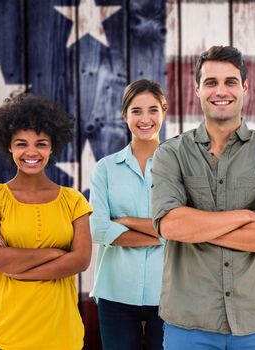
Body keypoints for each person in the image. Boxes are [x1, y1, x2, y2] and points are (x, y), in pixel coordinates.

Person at [151, 45, 255, 350]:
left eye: (230, 82)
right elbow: (171, 226)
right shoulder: (171, 154)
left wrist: (199, 228)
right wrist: (247, 216)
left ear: (245, 87)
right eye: (211, 82)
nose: (221, 91)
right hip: (189, 322)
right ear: (197, 89)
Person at [0, 94, 92, 350]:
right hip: (5, 335)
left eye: (41, 143)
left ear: (52, 147)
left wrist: (18, 270)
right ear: (9, 146)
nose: (31, 152)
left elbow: (81, 260)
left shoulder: (73, 200)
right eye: (21, 143)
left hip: (61, 335)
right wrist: (56, 253)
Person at [89, 79, 167, 350]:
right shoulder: (105, 169)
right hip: (115, 291)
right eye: (136, 111)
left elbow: (191, 229)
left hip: (168, 292)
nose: (145, 119)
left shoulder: (180, 168)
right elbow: (98, 229)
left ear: (163, 112)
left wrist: (124, 223)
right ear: (125, 116)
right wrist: (166, 234)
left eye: (153, 110)